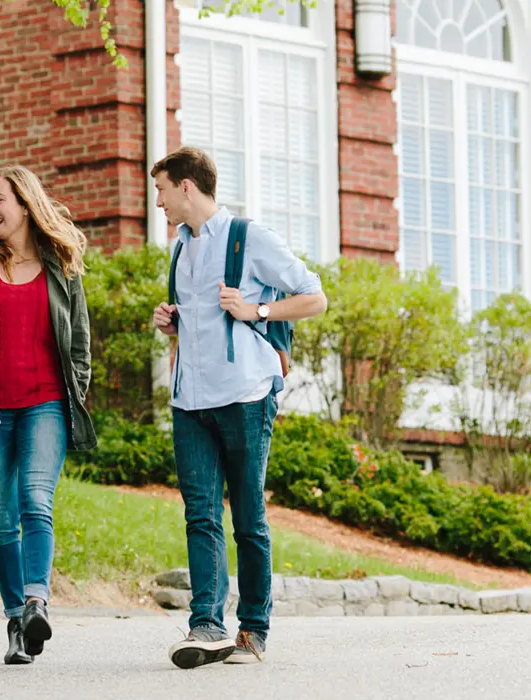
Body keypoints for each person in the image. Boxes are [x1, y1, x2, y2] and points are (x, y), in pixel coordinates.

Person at [150, 147, 328, 668]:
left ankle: (253, 630)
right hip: (190, 401)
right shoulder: (180, 250)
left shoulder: (250, 238)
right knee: (199, 514)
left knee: (248, 516)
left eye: (162, 189)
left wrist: (259, 309)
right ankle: (206, 623)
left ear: (187, 186)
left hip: (246, 395)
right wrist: (172, 321)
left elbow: (314, 296)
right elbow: (195, 323)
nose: (158, 201)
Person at [0, 165, 97, 665]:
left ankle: (35, 603)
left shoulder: (60, 261)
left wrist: (76, 388)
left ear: (25, 204)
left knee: (35, 499)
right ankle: (15, 621)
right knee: (2, 519)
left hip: (45, 404)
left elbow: (79, 343)